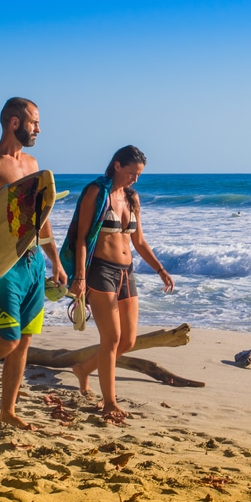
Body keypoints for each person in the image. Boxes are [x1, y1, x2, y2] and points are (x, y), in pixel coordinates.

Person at [0, 97, 67, 429]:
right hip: (3, 264)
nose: (39, 128)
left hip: (32, 262)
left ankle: (8, 410)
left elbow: (40, 219)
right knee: (9, 338)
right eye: (34, 121)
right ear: (15, 122)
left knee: (25, 342)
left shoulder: (33, 165)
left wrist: (55, 261)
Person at [62, 145, 174, 423]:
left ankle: (83, 369)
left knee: (128, 340)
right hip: (101, 271)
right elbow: (82, 238)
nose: (134, 179)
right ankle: (109, 401)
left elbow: (139, 241)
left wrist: (160, 269)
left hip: (127, 272)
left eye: (138, 175)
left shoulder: (132, 198)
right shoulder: (96, 193)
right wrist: (80, 276)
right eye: (131, 173)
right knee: (110, 339)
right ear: (116, 166)